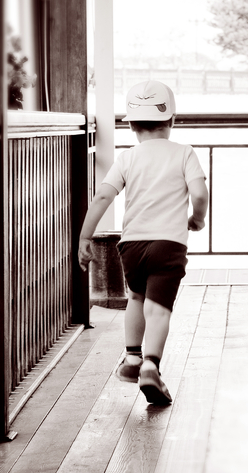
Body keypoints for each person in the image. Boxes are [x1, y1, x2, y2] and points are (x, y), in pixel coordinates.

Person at [78, 80, 208, 405]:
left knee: (136, 297)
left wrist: (84, 236)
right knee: (158, 307)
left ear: (131, 125)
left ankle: (132, 356)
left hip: (132, 245)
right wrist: (197, 218)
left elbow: (102, 197)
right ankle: (151, 365)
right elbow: (199, 193)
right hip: (168, 244)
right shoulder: (184, 153)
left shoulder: (127, 158)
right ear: (172, 120)